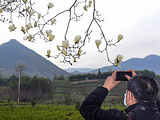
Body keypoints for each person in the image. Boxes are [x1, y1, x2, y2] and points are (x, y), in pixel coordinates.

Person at [79, 69, 160, 120]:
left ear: (130, 95)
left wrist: (106, 87)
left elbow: (87, 109)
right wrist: (145, 87)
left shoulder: (117, 117)